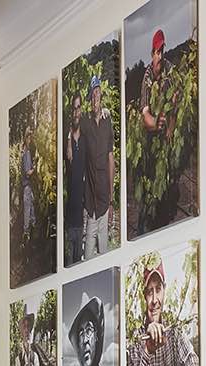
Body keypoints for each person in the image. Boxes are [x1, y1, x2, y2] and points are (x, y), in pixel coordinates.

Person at [69, 75, 115, 259]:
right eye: (92, 95)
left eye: (97, 93)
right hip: (90, 201)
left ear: (101, 95)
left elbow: (110, 159)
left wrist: (111, 200)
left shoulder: (107, 120)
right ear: (90, 99)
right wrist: (67, 141)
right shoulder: (86, 123)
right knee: (88, 256)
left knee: (104, 254)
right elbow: (74, 131)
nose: (95, 98)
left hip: (104, 199)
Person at [62, 88, 87, 263]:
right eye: (74, 108)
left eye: (79, 107)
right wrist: (69, 139)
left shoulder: (86, 136)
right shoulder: (66, 136)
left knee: (80, 263)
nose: (76, 111)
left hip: (83, 214)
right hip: (70, 216)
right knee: (69, 261)